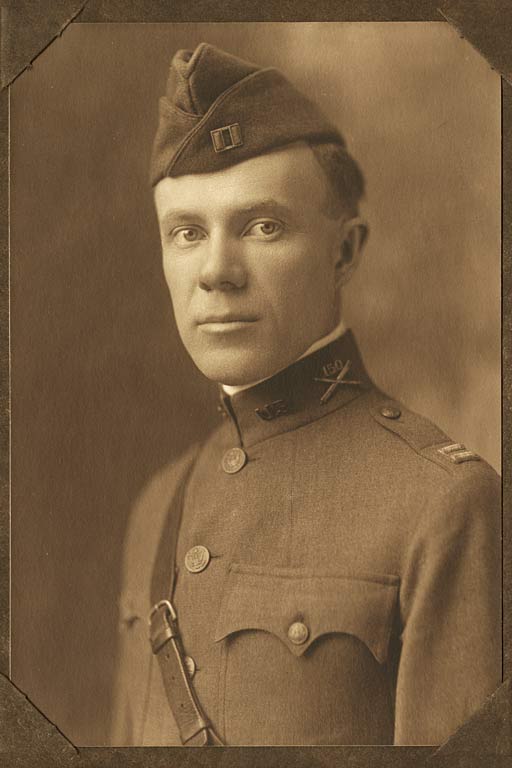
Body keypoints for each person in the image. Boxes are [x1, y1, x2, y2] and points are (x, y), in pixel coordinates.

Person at [111, 42, 501, 747]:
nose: (216, 271)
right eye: (187, 232)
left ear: (344, 252)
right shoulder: (158, 506)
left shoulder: (444, 507)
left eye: (263, 226)